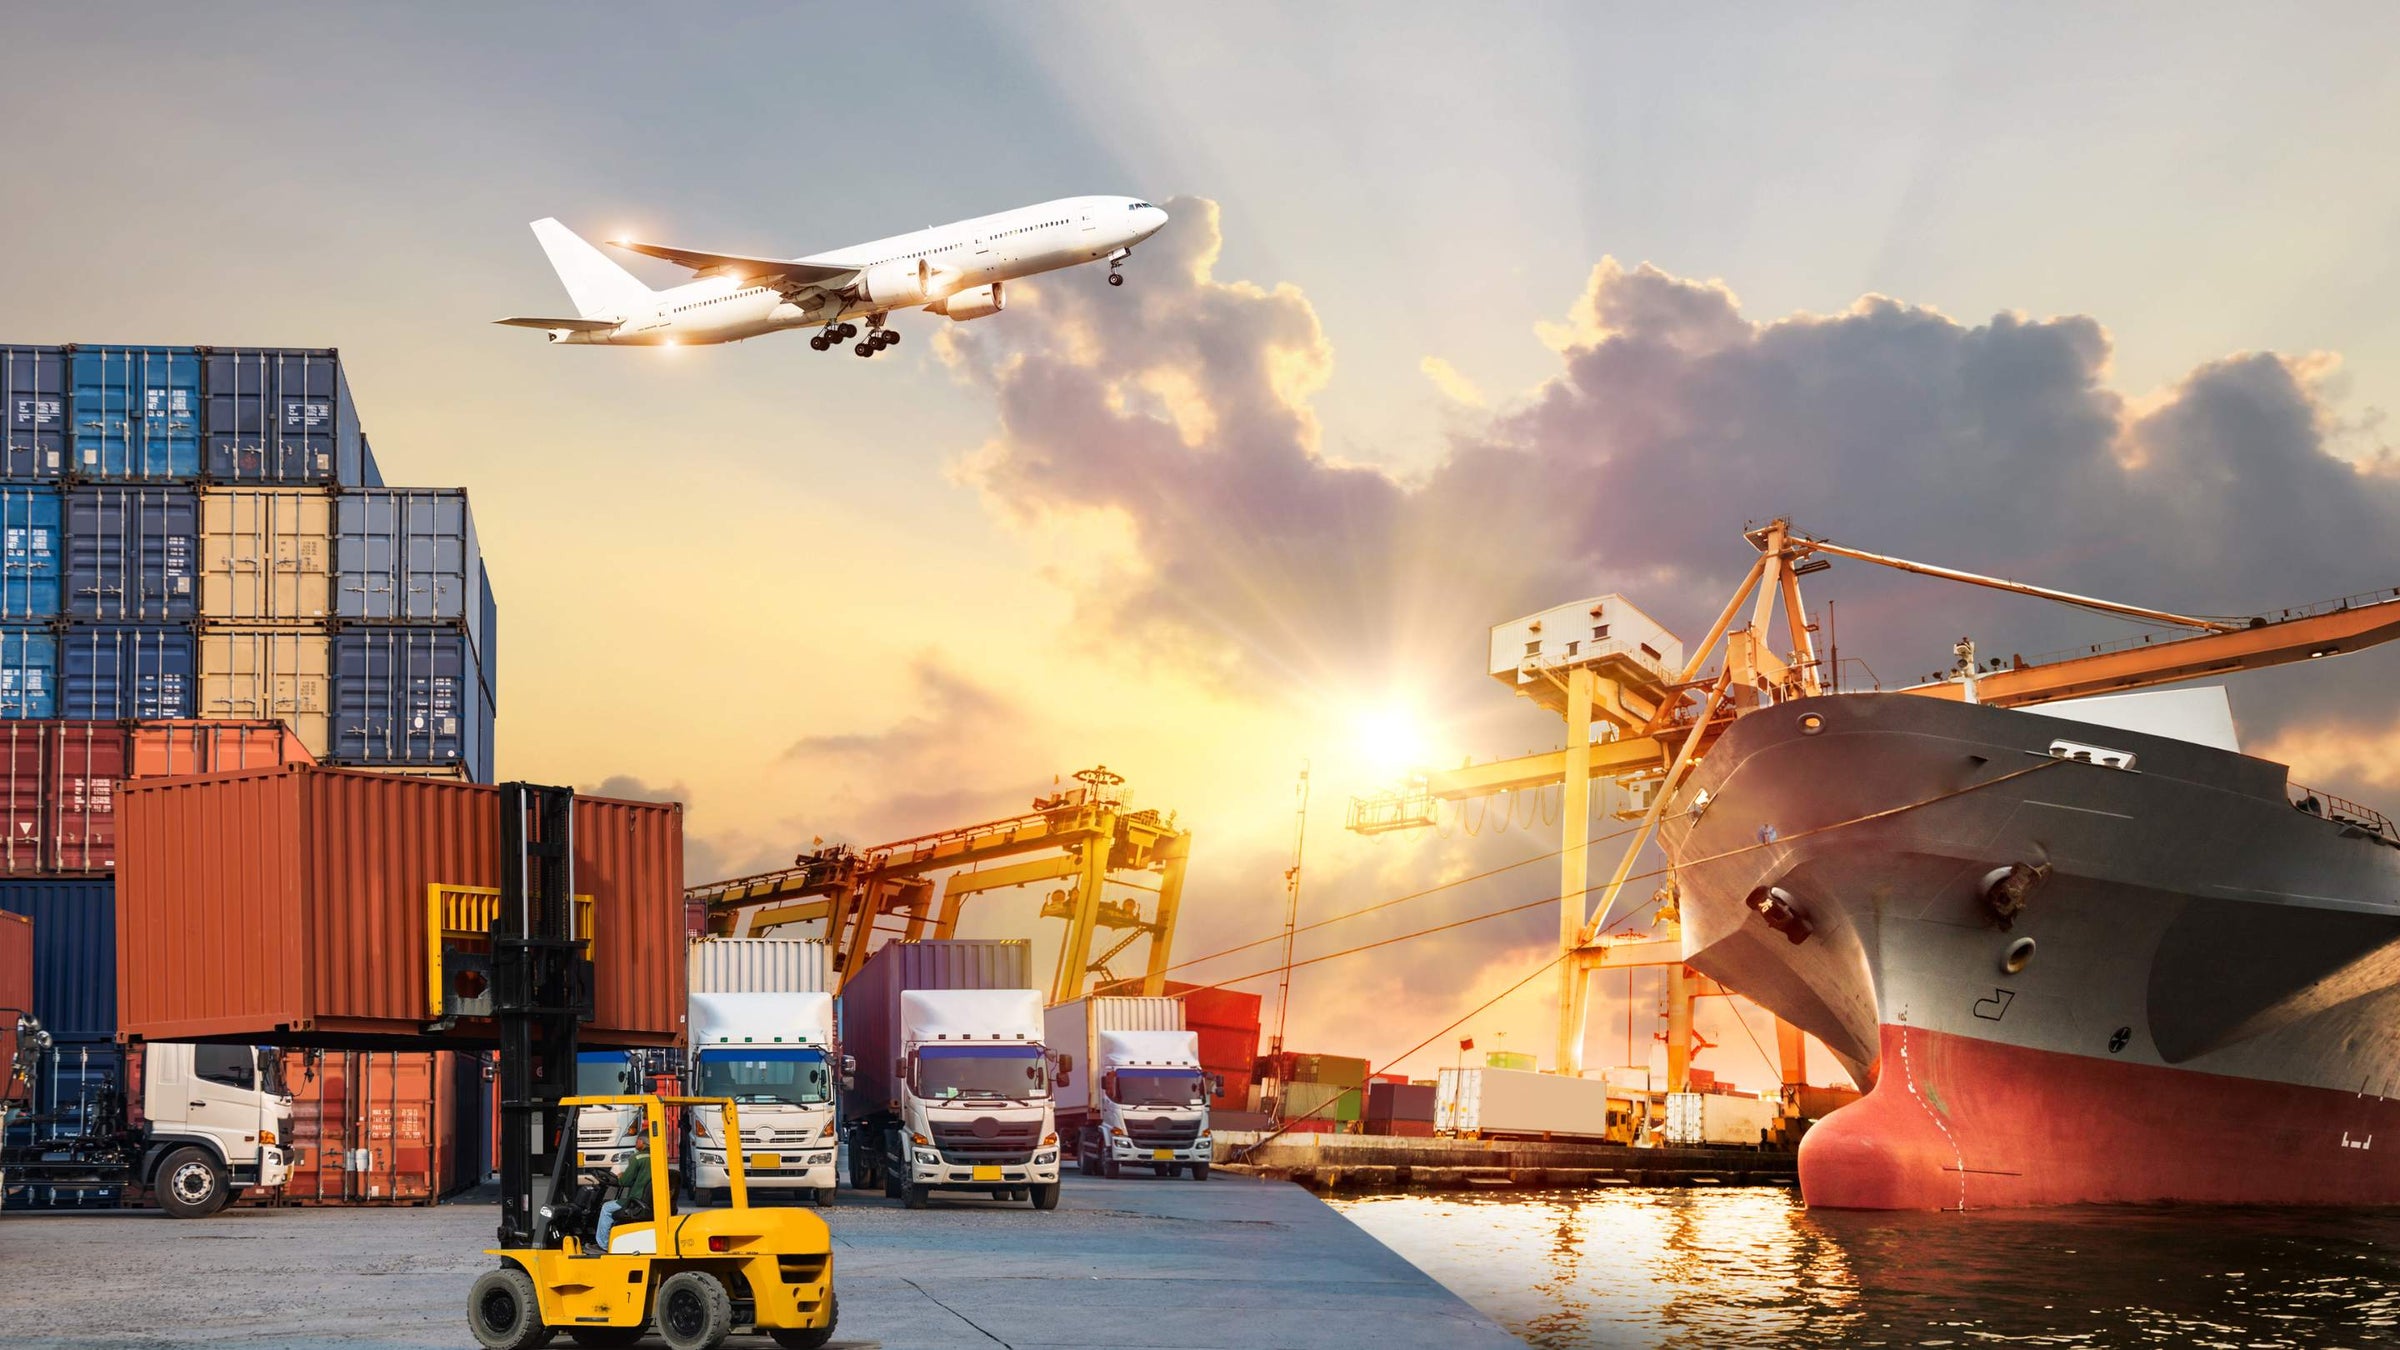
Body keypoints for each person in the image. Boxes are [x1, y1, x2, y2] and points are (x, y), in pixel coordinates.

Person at [594, 1120, 653, 1251]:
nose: (636, 1142)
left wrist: (620, 1176)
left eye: (637, 1140)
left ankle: (604, 1244)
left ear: (642, 1142)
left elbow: (624, 1182)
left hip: (636, 1201)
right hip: (648, 1200)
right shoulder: (657, 1157)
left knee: (606, 1207)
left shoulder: (637, 1158)